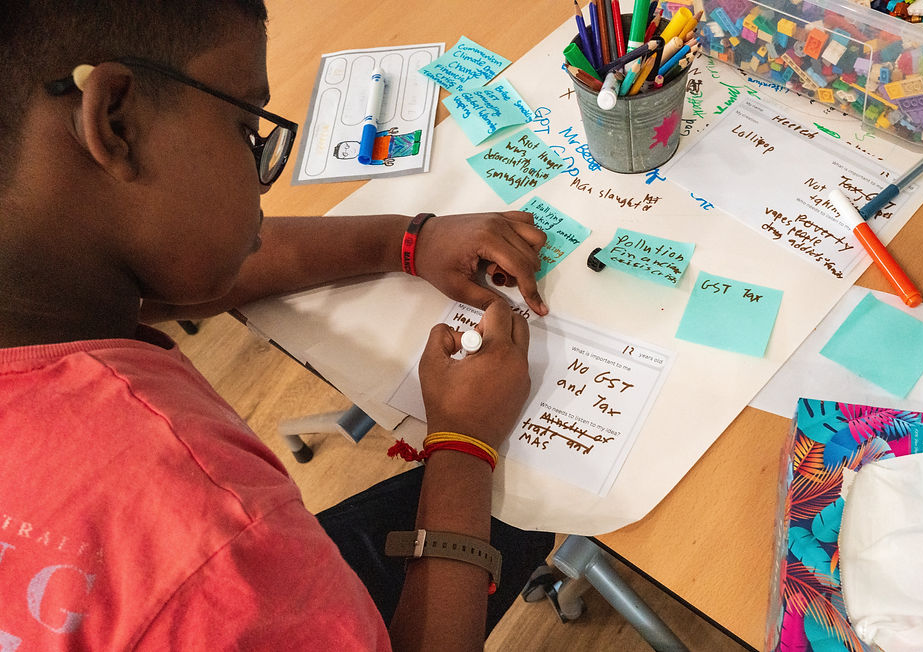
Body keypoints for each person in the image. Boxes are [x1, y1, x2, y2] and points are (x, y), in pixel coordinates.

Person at [0, 2, 554, 649]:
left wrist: (407, 240)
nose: (259, 180)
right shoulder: (209, 536)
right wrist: (465, 445)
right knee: (529, 503)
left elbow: (190, 251)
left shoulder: (40, 286)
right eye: (245, 129)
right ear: (116, 120)